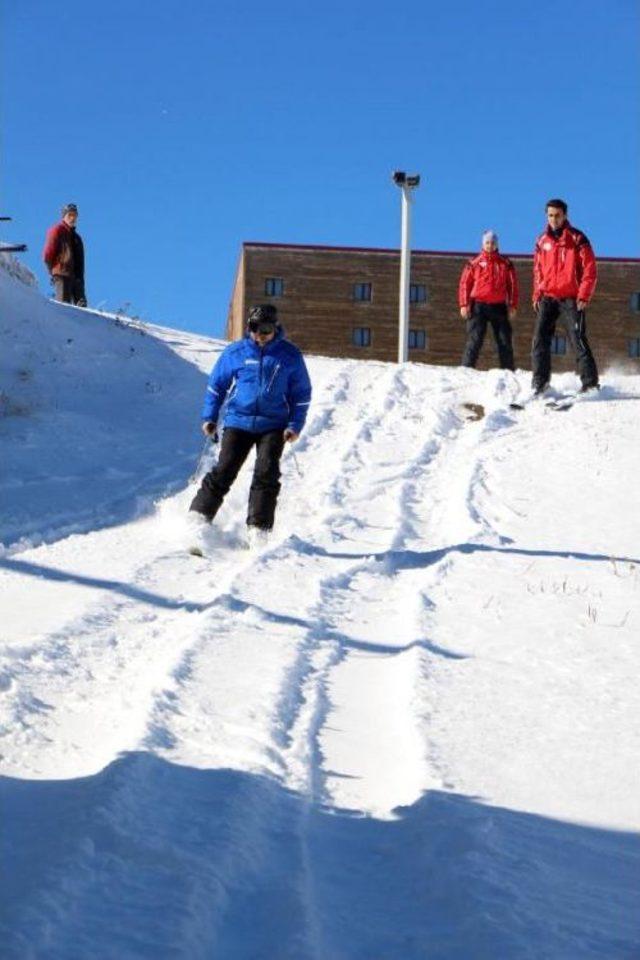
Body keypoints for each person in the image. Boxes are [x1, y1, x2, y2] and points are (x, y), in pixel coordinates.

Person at [189, 304, 312, 548]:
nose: (260, 334)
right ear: (249, 327)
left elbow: (301, 394)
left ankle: (259, 529)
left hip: (274, 425)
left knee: (266, 473)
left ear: (275, 328)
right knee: (225, 468)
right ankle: (199, 517)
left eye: (266, 329)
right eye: (255, 328)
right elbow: (216, 386)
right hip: (238, 421)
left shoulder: (289, 355)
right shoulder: (236, 352)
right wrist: (210, 417)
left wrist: (295, 425)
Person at [531, 199, 599, 395]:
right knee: (539, 340)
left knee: (577, 339)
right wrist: (537, 293)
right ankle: (540, 383)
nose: (554, 219)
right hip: (548, 297)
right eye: (550, 215)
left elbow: (590, 269)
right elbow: (538, 270)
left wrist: (584, 295)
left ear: (565, 215)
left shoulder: (577, 239)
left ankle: (590, 384)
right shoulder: (542, 241)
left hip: (571, 298)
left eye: (557, 215)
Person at [458, 230, 518, 370]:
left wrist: (512, 305)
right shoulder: (474, 263)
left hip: (499, 306)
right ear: (483, 244)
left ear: (497, 245)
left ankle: (508, 371)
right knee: (475, 338)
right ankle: (466, 369)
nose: (490, 245)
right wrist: (464, 304)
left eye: (493, 243)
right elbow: (465, 284)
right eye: (487, 242)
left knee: (504, 339)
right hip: (478, 305)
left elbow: (513, 285)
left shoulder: (505, 263)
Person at [42, 203, 87, 306]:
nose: (73, 218)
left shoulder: (77, 238)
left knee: (83, 312)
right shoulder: (57, 230)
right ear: (64, 216)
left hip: (77, 279)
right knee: (63, 310)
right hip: (62, 275)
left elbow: (81, 263)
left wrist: (81, 280)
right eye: (70, 215)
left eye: (75, 215)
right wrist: (53, 272)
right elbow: (47, 255)